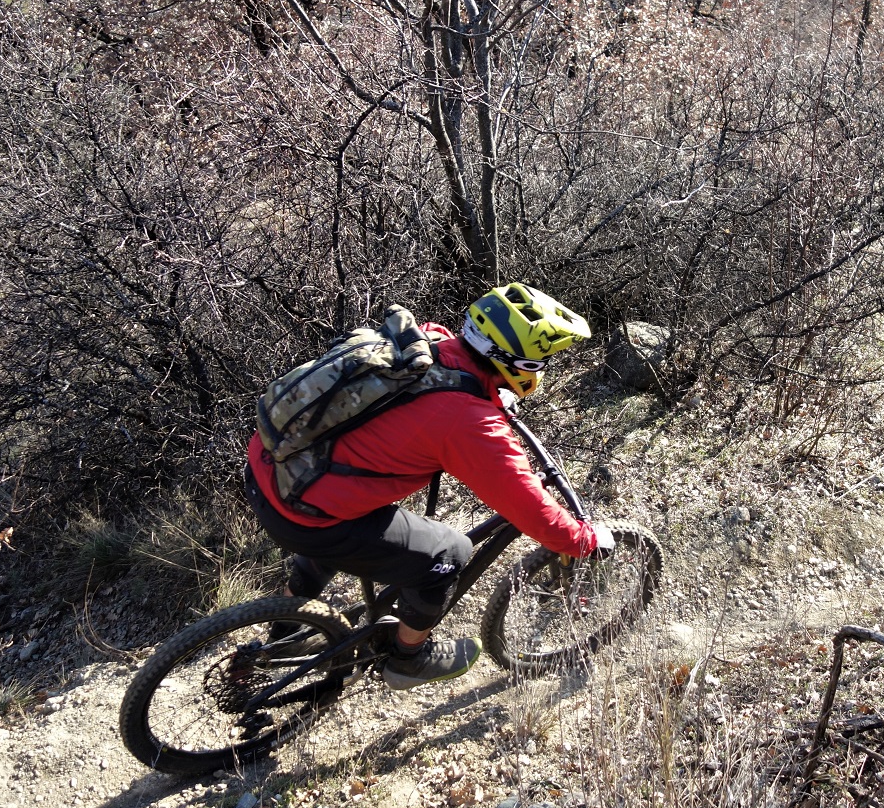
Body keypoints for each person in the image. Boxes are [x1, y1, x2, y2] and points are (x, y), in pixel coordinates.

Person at [244, 283, 611, 690]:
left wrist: (489, 394)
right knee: (450, 554)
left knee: (339, 527)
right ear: (512, 360)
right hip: (303, 512)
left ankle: (286, 634)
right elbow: (529, 508)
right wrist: (583, 540)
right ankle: (407, 659)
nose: (540, 369)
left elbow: (437, 382)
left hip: (269, 470)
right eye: (539, 360)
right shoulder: (470, 425)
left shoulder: (426, 341)